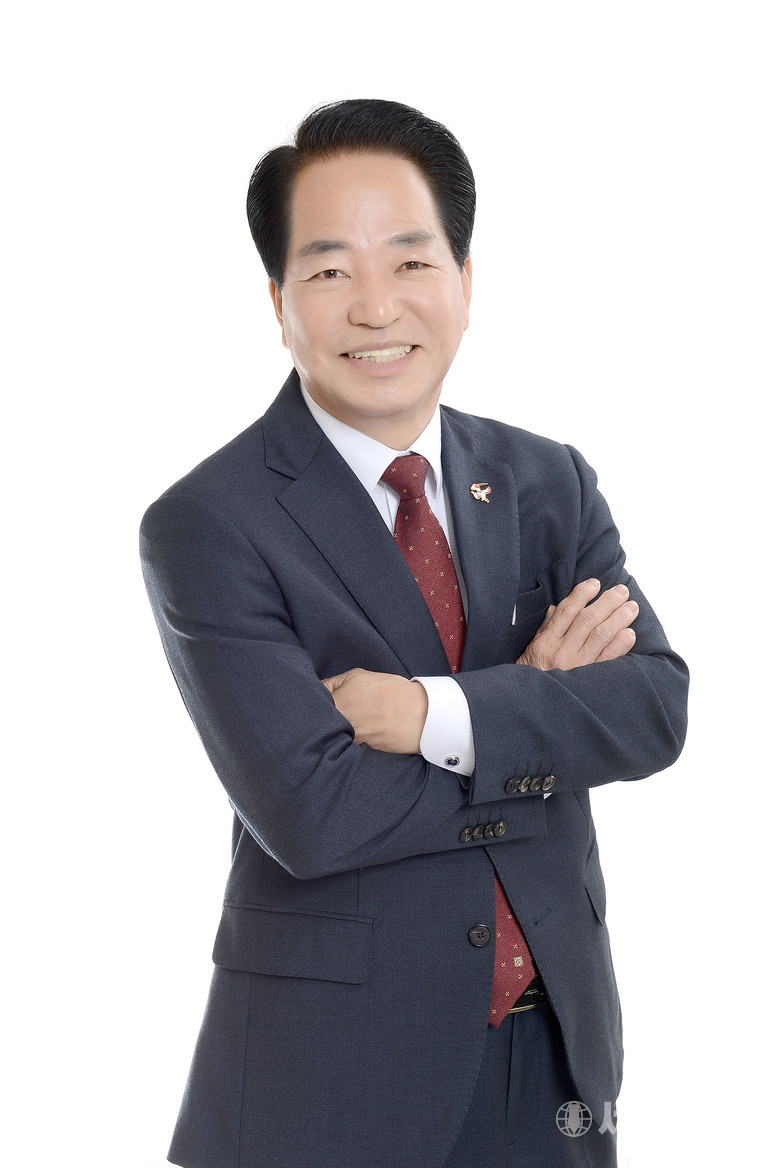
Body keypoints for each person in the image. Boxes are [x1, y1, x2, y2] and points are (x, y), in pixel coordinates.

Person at [140, 98, 688, 1168]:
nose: (376, 305)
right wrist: (537, 711)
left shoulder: (547, 480)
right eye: (330, 269)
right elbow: (314, 813)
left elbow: (653, 711)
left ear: (465, 281)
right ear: (278, 301)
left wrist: (438, 713)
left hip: (557, 1056)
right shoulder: (210, 522)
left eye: (410, 260)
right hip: (332, 1079)